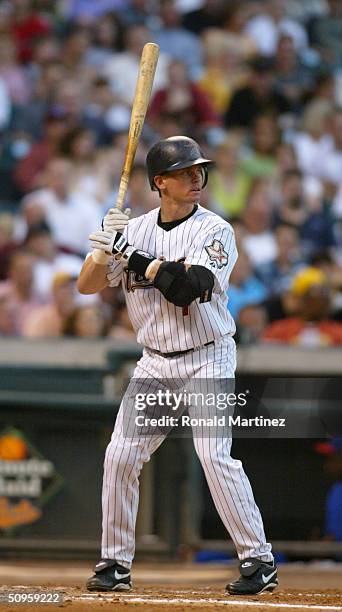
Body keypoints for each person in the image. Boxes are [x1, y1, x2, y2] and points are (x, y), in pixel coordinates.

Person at [78, 135, 277, 595]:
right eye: (185, 172)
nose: (196, 178)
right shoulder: (136, 230)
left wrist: (134, 257)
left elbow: (190, 287)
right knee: (121, 456)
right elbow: (87, 287)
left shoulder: (215, 229)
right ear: (159, 183)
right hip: (155, 362)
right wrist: (103, 248)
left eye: (198, 170)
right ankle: (113, 564)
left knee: (213, 456)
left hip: (208, 354)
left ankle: (258, 560)